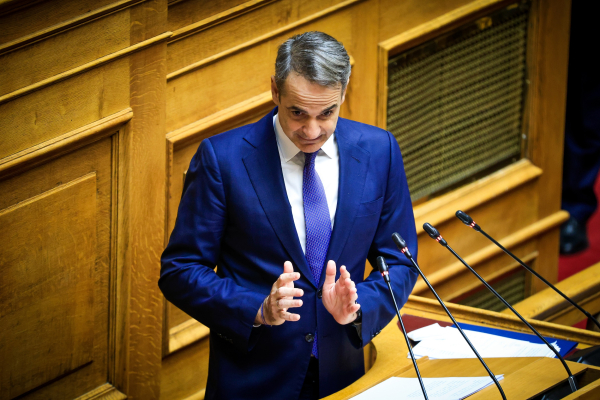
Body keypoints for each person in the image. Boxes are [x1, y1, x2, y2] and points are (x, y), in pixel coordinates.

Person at [159, 31, 418, 399]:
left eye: (326, 113)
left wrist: (357, 309)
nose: (312, 131)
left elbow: (400, 261)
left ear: (343, 94)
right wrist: (259, 308)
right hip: (254, 382)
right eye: (297, 113)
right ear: (275, 91)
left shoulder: (380, 151)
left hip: (342, 376)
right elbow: (180, 270)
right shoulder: (222, 160)